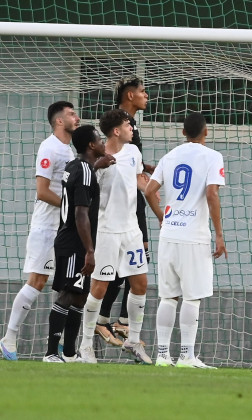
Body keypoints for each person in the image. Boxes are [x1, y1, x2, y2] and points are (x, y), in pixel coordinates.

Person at [144, 112, 226, 369]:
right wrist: (220, 234)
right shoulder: (212, 157)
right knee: (192, 297)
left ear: (183, 132)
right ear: (206, 132)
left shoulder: (170, 156)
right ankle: (187, 356)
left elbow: (149, 191)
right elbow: (211, 193)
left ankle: (162, 355)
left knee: (168, 297)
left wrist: (162, 217)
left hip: (170, 234)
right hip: (194, 236)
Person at [0, 101, 79, 361]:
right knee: (37, 281)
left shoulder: (68, 151)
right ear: (59, 121)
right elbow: (43, 191)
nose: (76, 117)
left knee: (67, 286)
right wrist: (72, 206)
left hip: (64, 229)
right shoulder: (49, 148)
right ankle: (9, 337)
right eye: (70, 114)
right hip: (46, 228)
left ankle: (59, 345)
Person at [77, 109, 151, 364]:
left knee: (140, 283)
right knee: (99, 287)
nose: (133, 128)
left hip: (131, 230)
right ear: (116, 130)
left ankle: (133, 341)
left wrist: (158, 189)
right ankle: (85, 346)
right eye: (128, 124)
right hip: (107, 231)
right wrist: (97, 166)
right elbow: (85, 189)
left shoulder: (134, 152)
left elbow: (140, 181)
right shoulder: (98, 158)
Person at [43, 125, 114, 362]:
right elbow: (80, 213)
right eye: (99, 139)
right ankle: (51, 352)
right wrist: (90, 251)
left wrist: (97, 166)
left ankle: (71, 354)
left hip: (77, 242)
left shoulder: (78, 166)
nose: (103, 142)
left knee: (80, 297)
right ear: (92, 145)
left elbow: (82, 182)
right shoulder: (84, 170)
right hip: (74, 242)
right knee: (67, 294)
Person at [94, 76, 153, 347]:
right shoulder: (117, 129)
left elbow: (135, 168)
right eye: (142, 92)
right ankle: (105, 321)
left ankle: (115, 320)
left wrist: (152, 171)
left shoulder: (131, 132)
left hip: (131, 208)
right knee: (121, 267)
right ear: (130, 96)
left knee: (134, 265)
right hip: (115, 217)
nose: (146, 96)